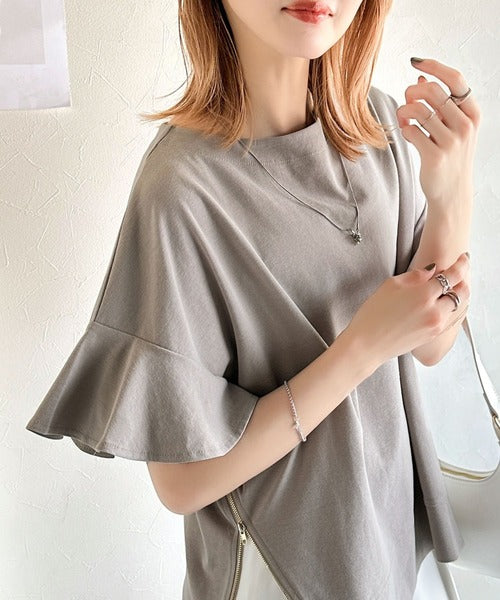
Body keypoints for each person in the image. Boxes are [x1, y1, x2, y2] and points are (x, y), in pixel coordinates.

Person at [26, 0, 481, 598]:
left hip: (384, 551)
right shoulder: (182, 189)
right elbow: (181, 483)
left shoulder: (377, 125)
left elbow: (430, 343)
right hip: (277, 571)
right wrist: (362, 348)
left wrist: (451, 194)